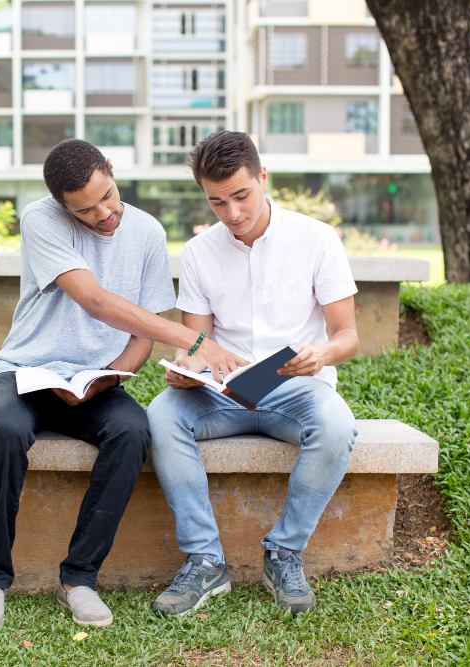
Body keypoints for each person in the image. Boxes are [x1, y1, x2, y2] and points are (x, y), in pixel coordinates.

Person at [0, 139, 248, 629]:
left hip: (94, 380)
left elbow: (142, 330)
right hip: (25, 370)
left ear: (112, 171)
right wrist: (197, 340)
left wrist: (112, 376)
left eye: (107, 196)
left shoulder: (147, 232)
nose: (103, 213)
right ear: (61, 204)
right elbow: (95, 301)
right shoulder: (41, 219)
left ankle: (79, 579)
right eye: (85, 209)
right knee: (6, 432)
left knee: (134, 432)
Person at [147, 131, 360, 616]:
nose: (232, 213)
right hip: (224, 394)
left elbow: (347, 334)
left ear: (263, 178)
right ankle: (204, 559)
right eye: (217, 201)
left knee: (336, 424)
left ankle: (284, 553)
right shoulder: (200, 253)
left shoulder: (316, 238)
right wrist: (187, 369)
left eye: (241, 195)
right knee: (161, 414)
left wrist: (321, 354)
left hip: (295, 389)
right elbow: (197, 345)